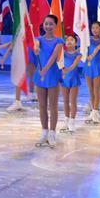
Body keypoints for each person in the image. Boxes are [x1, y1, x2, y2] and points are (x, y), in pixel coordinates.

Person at [33, 15, 63, 148]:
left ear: (55, 25)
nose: (48, 26)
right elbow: (36, 45)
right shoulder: (38, 39)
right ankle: (44, 132)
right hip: (40, 75)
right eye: (46, 24)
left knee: (53, 106)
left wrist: (44, 69)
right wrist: (36, 48)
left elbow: (53, 57)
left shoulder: (59, 41)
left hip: (52, 74)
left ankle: (52, 133)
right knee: (42, 106)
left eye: (51, 24)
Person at [83, 21, 100, 125]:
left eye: (97, 28)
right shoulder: (87, 40)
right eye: (93, 28)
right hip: (88, 67)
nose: (94, 30)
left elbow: (98, 48)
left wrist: (92, 55)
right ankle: (93, 111)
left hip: (98, 67)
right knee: (91, 91)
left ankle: (96, 111)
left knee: (97, 90)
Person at [58, 34, 82, 134]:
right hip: (64, 80)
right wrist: (61, 70)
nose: (69, 42)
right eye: (67, 40)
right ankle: (66, 120)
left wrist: (65, 70)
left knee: (73, 101)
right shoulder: (62, 54)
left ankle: (72, 121)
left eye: (72, 40)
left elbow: (74, 65)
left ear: (75, 43)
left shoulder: (78, 55)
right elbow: (58, 63)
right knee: (65, 101)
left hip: (74, 80)